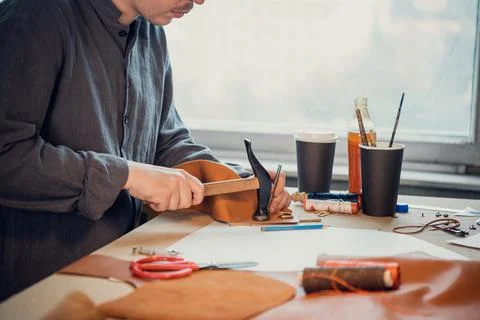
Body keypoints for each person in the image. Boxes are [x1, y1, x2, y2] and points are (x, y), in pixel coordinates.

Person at [0, 0, 292, 301]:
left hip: (129, 268)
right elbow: (6, 156)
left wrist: (242, 182)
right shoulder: (32, 17)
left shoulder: (151, 33)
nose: (201, 0)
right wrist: (126, 175)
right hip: (43, 291)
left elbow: (165, 142)